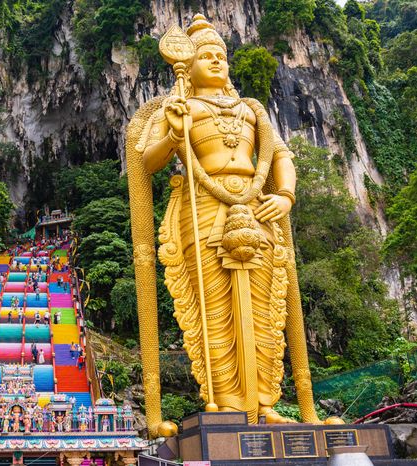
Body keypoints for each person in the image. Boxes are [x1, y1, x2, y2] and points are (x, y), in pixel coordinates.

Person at [126, 14, 324, 426]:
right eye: (207, 56)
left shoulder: (251, 109)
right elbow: (147, 161)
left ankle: (266, 403)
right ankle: (231, 403)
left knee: (265, 307)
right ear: (189, 65)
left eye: (222, 55)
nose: (217, 62)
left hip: (256, 208)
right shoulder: (179, 106)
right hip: (202, 206)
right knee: (213, 309)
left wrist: (285, 195)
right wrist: (173, 136)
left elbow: (280, 156)